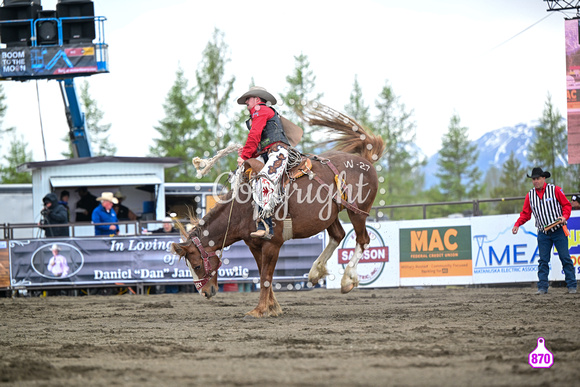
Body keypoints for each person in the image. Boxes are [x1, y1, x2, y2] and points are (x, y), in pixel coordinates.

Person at [236, 86, 291, 239]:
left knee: (264, 180)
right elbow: (259, 142)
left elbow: (254, 135)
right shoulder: (263, 112)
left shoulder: (260, 110)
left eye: (248, 98)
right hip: (269, 153)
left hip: (277, 152)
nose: (246, 101)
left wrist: (245, 156)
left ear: (257, 100)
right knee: (253, 179)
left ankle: (265, 225)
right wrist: (248, 154)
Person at [512, 167, 577, 294]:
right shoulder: (530, 195)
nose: (535, 181)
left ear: (543, 178)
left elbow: (566, 205)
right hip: (543, 232)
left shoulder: (555, 190)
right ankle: (542, 287)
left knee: (565, 258)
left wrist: (564, 217)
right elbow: (526, 214)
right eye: (533, 179)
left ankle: (572, 285)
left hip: (558, 230)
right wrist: (517, 224)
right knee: (543, 261)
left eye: (537, 178)